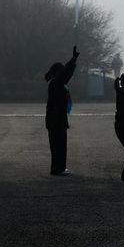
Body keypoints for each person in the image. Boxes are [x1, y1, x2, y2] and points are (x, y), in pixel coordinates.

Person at [45, 46, 80, 176]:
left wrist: (73, 61)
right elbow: (66, 73)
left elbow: (66, 74)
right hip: (56, 119)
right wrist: (73, 59)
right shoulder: (56, 83)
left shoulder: (55, 83)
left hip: (55, 118)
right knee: (58, 145)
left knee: (57, 145)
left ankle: (58, 168)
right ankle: (58, 169)